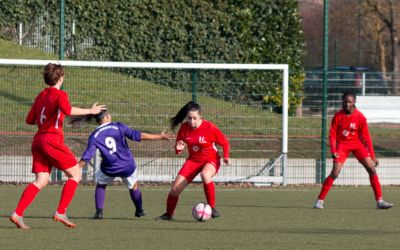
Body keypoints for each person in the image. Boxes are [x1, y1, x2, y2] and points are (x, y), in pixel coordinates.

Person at [10, 63, 106, 229]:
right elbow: (68, 110)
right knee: (76, 174)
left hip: (38, 140)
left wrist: (47, 115)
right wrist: (91, 110)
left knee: (41, 180)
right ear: (61, 77)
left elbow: (29, 119)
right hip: (51, 140)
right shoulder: (60, 94)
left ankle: (17, 213)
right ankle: (60, 212)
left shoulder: (40, 96)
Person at [77, 109, 174, 219]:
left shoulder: (94, 136)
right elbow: (139, 136)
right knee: (134, 186)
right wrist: (159, 137)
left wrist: (77, 166)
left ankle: (99, 212)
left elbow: (88, 155)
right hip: (127, 165)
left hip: (110, 167)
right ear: (107, 116)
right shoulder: (118, 126)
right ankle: (139, 210)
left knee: (101, 185)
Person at [314, 92, 393, 209]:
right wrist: (334, 150)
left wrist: (373, 155)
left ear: (354, 102)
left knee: (371, 168)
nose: (347, 104)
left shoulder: (360, 117)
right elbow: (332, 135)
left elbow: (366, 137)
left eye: (349, 102)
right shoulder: (338, 116)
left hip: (357, 145)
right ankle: (319, 201)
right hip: (342, 145)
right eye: (345, 101)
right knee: (335, 172)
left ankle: (379, 201)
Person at [158, 101, 230, 220]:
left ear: (200, 116)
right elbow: (178, 147)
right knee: (175, 190)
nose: (192, 121)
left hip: (211, 159)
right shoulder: (184, 128)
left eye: (194, 118)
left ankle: (212, 208)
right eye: (189, 118)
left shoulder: (209, 127)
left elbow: (225, 142)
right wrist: (178, 149)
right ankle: (168, 214)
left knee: (205, 175)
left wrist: (226, 157)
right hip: (193, 161)